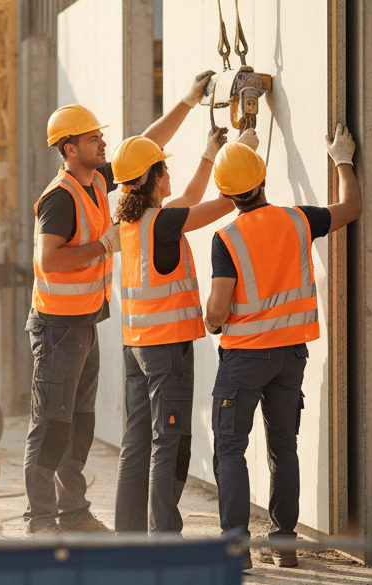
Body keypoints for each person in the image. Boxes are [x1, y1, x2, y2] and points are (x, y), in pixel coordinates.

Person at [23, 71, 215, 536]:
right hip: (56, 327)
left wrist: (187, 104)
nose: (103, 143)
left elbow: (141, 150)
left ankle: (72, 512)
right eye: (94, 139)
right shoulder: (60, 197)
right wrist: (102, 248)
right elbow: (48, 261)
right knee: (51, 424)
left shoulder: (92, 181)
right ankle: (41, 519)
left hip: (84, 324)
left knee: (80, 425)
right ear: (70, 148)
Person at [205, 124, 361, 568]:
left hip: (243, 360)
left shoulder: (226, 240)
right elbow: (351, 207)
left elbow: (217, 311)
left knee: (231, 447)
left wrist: (212, 321)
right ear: (264, 179)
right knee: (283, 448)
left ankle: (235, 550)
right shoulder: (298, 219)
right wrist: (342, 159)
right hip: (291, 356)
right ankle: (284, 544)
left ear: (226, 193)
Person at [111, 126, 250, 534]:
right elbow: (224, 204)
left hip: (135, 347)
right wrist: (243, 152)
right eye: (165, 169)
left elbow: (188, 201)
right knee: (167, 442)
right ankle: (163, 538)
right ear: (154, 178)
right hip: (165, 349)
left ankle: (129, 535)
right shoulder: (163, 224)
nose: (169, 176)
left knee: (137, 442)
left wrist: (210, 152)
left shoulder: (135, 223)